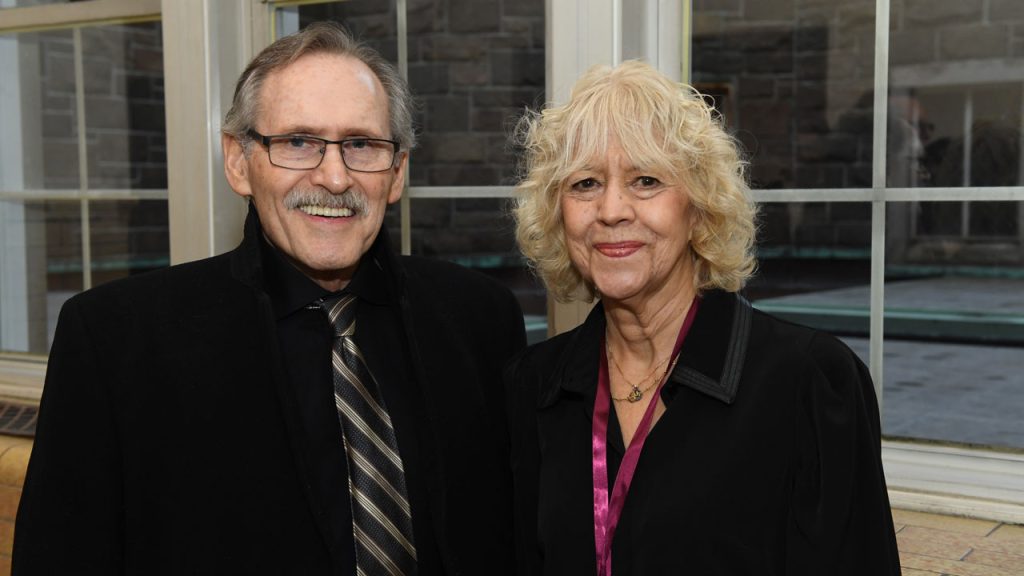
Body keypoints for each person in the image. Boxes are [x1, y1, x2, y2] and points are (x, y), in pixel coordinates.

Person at [14, 22, 525, 576]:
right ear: (239, 162)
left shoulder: (479, 320)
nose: (334, 177)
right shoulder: (117, 341)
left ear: (397, 171)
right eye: (298, 142)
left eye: (361, 144)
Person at [506, 60, 901, 575]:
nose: (611, 209)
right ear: (558, 214)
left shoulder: (810, 384)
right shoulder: (535, 386)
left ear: (698, 207)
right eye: (585, 184)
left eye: (645, 180)